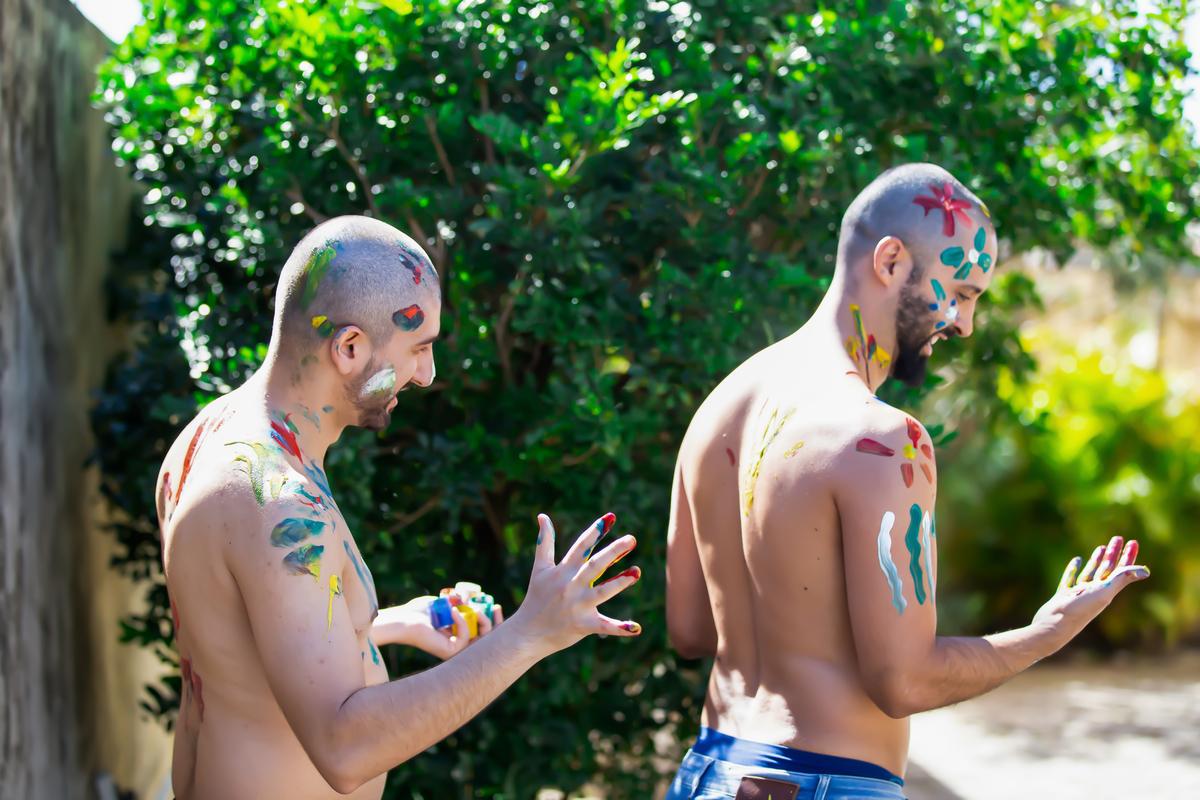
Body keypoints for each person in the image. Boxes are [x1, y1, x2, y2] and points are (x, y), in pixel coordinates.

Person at [663, 163, 1149, 800]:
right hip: (822, 783)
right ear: (891, 261)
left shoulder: (718, 410)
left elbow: (693, 631)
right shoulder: (882, 440)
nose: (966, 323)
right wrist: (1047, 631)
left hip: (709, 771)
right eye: (964, 292)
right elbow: (905, 682)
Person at [157, 216, 643, 800]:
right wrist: (529, 633)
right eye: (418, 348)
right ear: (350, 347)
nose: (426, 373)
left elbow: (237, 647)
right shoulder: (279, 503)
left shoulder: (210, 435)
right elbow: (342, 747)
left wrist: (379, 627)